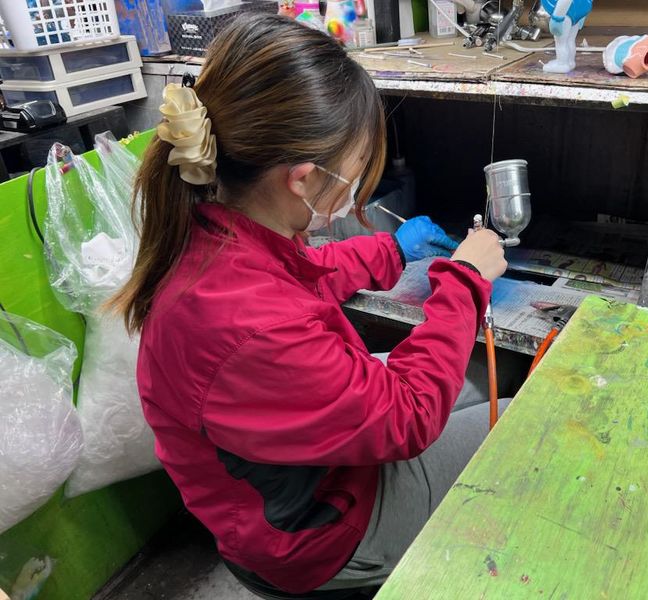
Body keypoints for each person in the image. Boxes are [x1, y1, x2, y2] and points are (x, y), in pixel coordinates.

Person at [110, 13, 508, 596]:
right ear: (300, 179)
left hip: (296, 481)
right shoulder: (244, 323)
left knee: (476, 380)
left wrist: (392, 250)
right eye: (355, 171)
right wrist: (465, 281)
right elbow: (409, 415)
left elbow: (303, 275)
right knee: (517, 419)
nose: (356, 187)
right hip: (316, 537)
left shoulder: (220, 233)